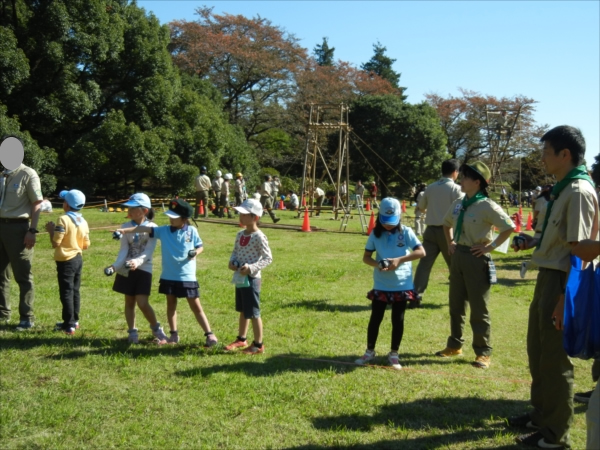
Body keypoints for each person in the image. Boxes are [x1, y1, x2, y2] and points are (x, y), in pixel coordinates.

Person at [508, 126, 597, 449]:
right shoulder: (562, 189)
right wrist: (533, 241)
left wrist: (564, 300)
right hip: (548, 276)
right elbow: (560, 240)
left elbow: (580, 251)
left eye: (546, 152)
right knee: (539, 352)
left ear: (565, 155)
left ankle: (555, 435)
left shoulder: (577, 192)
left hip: (562, 282)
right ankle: (541, 416)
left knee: (555, 360)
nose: (542, 157)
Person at [436, 161, 515, 370]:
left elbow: (509, 227)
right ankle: (454, 345)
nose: (460, 180)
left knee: (479, 309)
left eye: (465, 177)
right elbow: (446, 224)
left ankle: (483, 352)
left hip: (476, 257)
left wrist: (490, 248)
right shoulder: (459, 202)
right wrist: (450, 242)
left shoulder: (487, 205)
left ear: (477, 182)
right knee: (455, 304)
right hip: (458, 256)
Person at [116, 199, 218, 347]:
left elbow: (200, 246)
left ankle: (209, 334)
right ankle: (173, 334)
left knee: (196, 306)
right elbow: (143, 229)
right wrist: (124, 231)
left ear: (184, 218)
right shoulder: (163, 230)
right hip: (168, 276)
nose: (170, 219)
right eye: (170, 216)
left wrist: (196, 252)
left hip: (187, 276)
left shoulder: (192, 231)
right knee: (171, 306)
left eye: (174, 217)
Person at [355, 198, 425, 370]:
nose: (388, 225)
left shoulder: (406, 232)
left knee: (398, 319)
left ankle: (394, 353)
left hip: (402, 284)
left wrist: (399, 260)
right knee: (375, 318)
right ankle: (369, 351)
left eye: (392, 222)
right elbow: (366, 257)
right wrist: (377, 264)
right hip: (381, 284)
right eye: (385, 222)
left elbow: (421, 252)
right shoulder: (374, 234)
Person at [105, 193, 169, 344]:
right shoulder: (125, 227)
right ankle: (132, 332)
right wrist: (115, 266)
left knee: (142, 302)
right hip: (126, 269)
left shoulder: (152, 228)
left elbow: (148, 252)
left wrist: (136, 262)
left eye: (133, 208)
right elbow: (123, 251)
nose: (129, 210)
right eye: (129, 207)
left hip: (143, 269)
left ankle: (156, 329)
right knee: (129, 302)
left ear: (144, 211)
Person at [0, 136, 44, 331]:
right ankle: (2, 315)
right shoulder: (1, 174)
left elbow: (37, 203)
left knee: (23, 275)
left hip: (19, 228)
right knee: (1, 274)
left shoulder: (27, 174)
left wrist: (32, 230)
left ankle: (26, 317)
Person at [224, 199, 273, 354]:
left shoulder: (259, 237)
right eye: (240, 213)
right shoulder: (240, 234)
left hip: (252, 279)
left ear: (255, 217)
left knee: (253, 312)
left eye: (244, 214)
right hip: (240, 278)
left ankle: (258, 345)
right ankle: (241, 339)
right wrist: (232, 262)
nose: (240, 216)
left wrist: (251, 268)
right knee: (244, 310)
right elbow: (235, 252)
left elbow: (268, 258)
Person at [412, 159, 463, 306]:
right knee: (454, 266)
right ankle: (458, 297)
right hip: (448, 232)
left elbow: (421, 207)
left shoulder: (431, 187)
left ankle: (416, 295)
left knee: (424, 265)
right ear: (455, 172)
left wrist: (432, 211)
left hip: (430, 231)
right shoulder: (456, 189)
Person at [44, 189, 90, 335]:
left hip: (66, 260)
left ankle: (68, 325)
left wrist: (50, 230)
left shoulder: (63, 219)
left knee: (66, 292)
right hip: (78, 258)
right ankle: (74, 321)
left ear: (67, 205)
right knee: (75, 291)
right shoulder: (83, 221)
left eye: (64, 201)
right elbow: (86, 245)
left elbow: (56, 242)